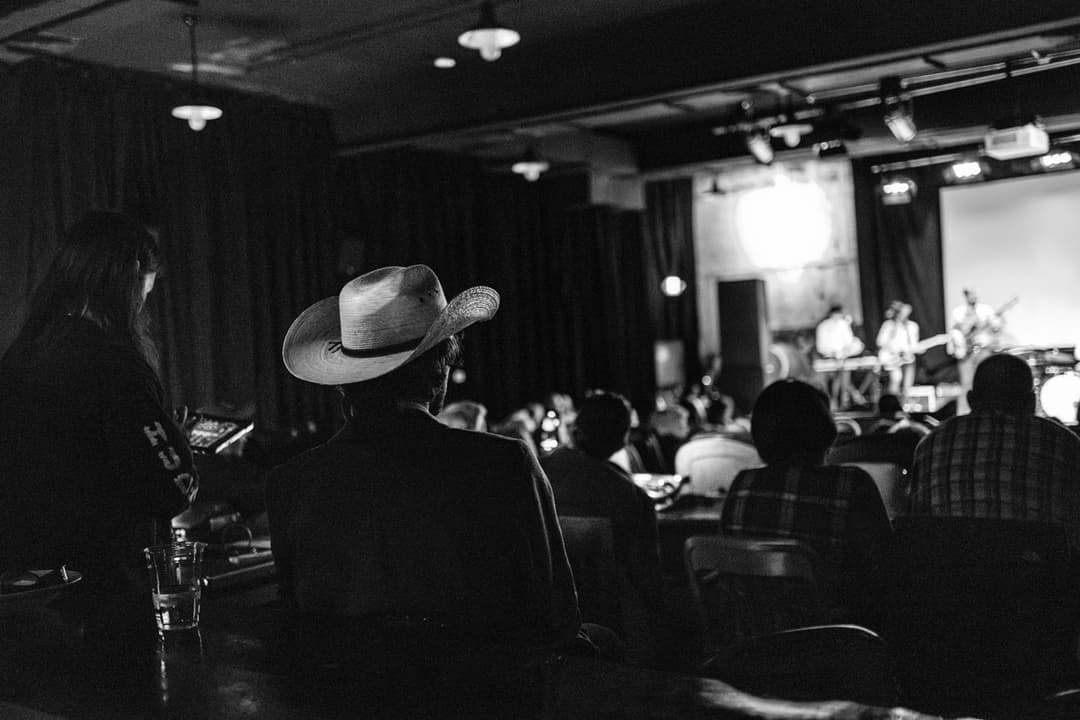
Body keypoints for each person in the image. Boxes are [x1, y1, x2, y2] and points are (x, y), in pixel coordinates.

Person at [265, 265, 582, 662]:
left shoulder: (289, 483)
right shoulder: (505, 464)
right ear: (439, 373)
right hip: (483, 696)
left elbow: (295, 622)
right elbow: (558, 617)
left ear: (344, 383)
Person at [0, 211, 198, 596]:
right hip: (106, 586)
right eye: (142, 295)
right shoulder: (114, 364)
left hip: (29, 586)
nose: (140, 311)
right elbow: (171, 487)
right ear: (127, 277)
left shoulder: (20, 355)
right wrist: (174, 442)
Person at [720, 380, 891, 626]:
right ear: (825, 430)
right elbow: (886, 572)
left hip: (752, 650)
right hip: (835, 647)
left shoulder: (742, 486)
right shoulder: (851, 484)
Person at [909, 353, 1080, 549]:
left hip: (952, 575)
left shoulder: (931, 445)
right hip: (1040, 576)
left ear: (971, 400)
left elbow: (917, 532)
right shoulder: (1063, 443)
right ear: (1031, 402)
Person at [541, 390, 662, 663]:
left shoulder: (540, 473)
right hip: (618, 627)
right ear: (623, 436)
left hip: (549, 618)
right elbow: (649, 581)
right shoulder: (630, 497)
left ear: (577, 428)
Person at [949, 289, 1004, 415]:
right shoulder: (958, 312)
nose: (973, 297)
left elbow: (996, 327)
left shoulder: (986, 310)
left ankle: (988, 412)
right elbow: (953, 332)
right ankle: (963, 414)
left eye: (974, 294)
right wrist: (960, 346)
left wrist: (994, 322)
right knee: (966, 384)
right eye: (969, 295)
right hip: (965, 353)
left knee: (986, 381)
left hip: (983, 350)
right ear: (966, 296)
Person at [815, 304, 867, 409]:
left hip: (843, 357)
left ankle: (846, 401)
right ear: (832, 314)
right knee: (836, 378)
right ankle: (853, 398)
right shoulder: (823, 326)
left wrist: (847, 350)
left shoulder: (843, 324)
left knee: (844, 374)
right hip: (828, 358)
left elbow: (849, 341)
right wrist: (834, 353)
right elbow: (821, 347)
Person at [876, 301, 920, 399]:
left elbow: (913, 345)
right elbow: (880, 342)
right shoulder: (888, 325)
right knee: (896, 379)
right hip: (892, 360)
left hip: (907, 359)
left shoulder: (912, 326)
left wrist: (912, 350)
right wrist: (895, 351)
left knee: (908, 386)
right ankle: (892, 404)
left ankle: (906, 402)